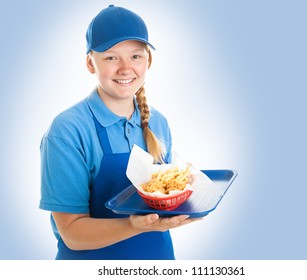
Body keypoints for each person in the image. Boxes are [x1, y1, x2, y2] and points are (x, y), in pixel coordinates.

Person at [39, 5, 200, 260]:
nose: (125, 68)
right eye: (111, 57)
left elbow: (163, 198)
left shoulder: (158, 122)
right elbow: (70, 232)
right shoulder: (68, 130)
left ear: (149, 60)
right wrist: (133, 225)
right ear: (90, 63)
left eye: (135, 56)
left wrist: (188, 191)